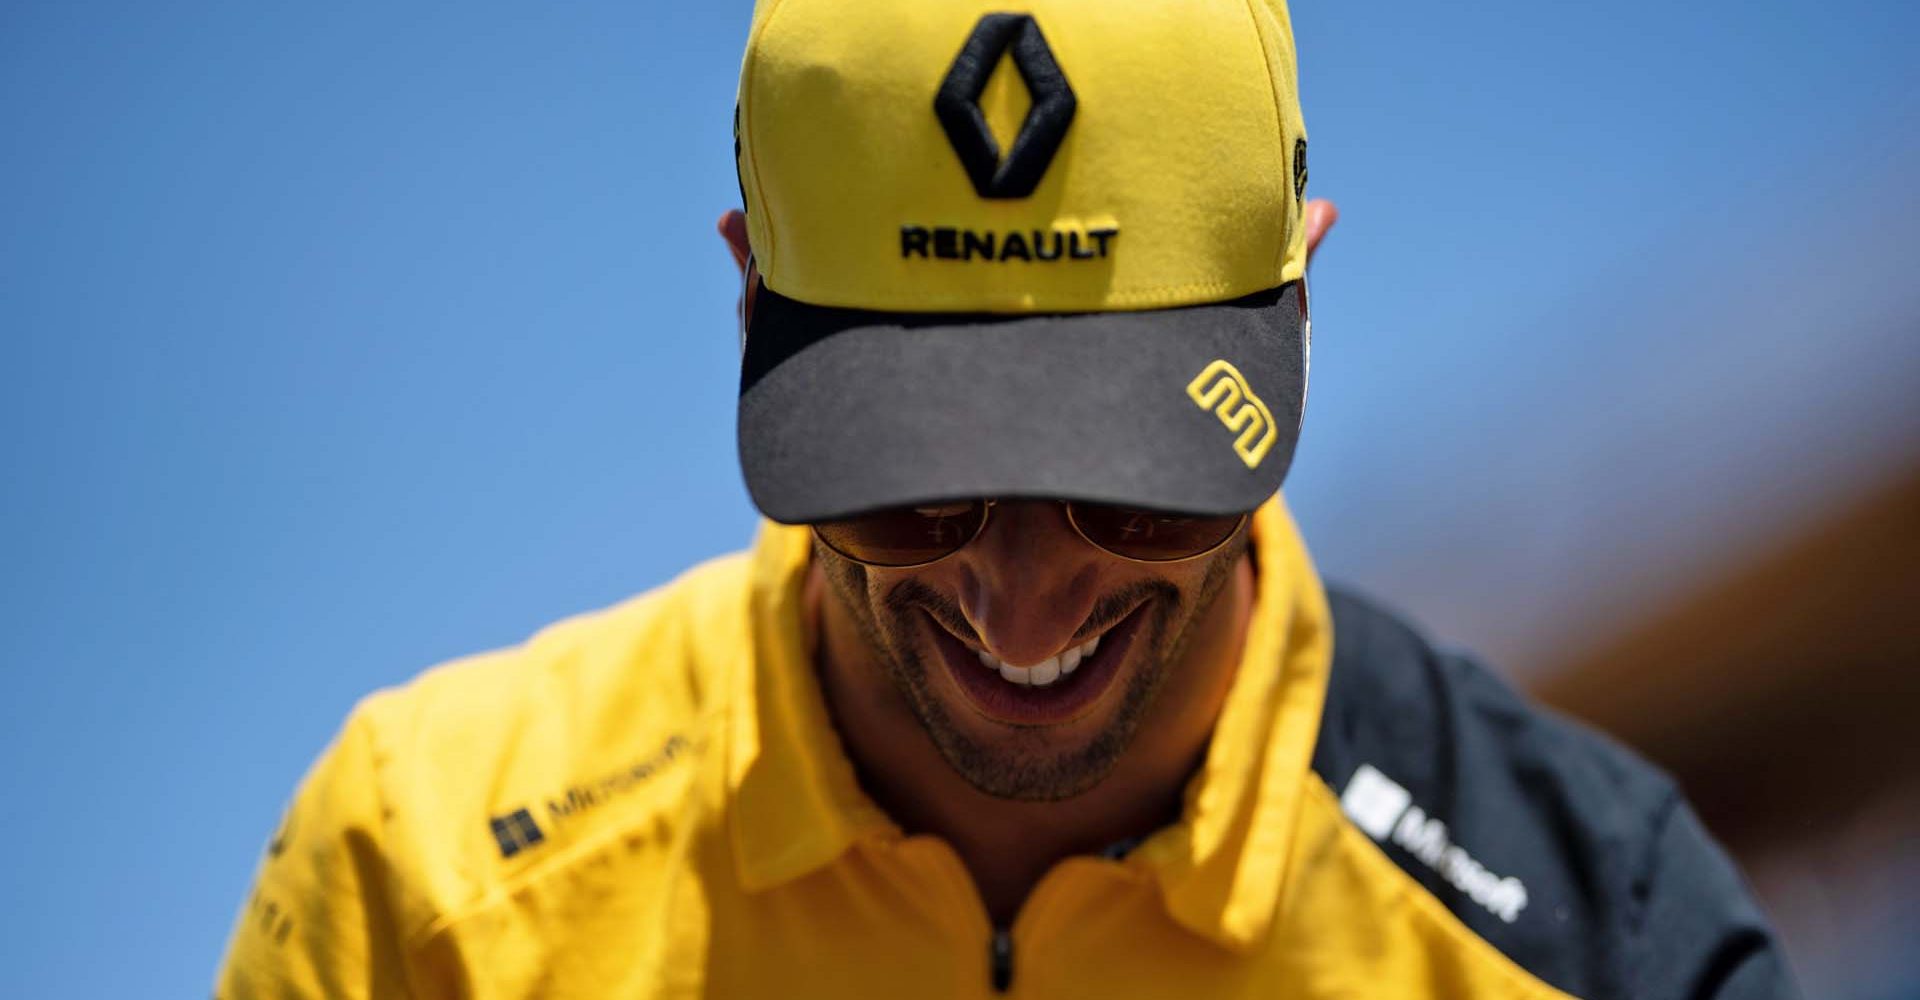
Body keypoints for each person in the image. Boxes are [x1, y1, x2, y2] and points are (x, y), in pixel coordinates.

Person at [216, 0, 1799, 997]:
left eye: (1132, 489)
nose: (1021, 596)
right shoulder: (429, 893)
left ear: (1303, 289)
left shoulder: (1601, 944)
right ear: (750, 300)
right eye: (918, 489)